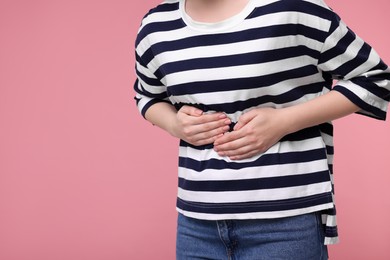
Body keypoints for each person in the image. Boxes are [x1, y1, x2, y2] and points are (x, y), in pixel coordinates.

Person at [133, 0, 390, 259]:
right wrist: (174, 124)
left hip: (286, 220)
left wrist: (284, 122)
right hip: (196, 223)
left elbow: (375, 79)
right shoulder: (157, 25)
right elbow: (147, 96)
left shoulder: (294, 8)